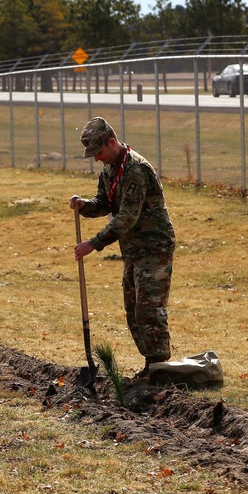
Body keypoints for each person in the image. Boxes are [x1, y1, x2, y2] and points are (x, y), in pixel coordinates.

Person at [69, 116, 176, 378]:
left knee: (149, 309)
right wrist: (85, 206)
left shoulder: (135, 170)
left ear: (112, 142)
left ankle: (159, 369)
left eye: (98, 152)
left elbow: (127, 217)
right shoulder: (110, 170)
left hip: (154, 247)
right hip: (133, 250)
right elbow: (105, 202)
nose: (96, 159)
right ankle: (152, 365)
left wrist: (93, 244)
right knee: (132, 310)